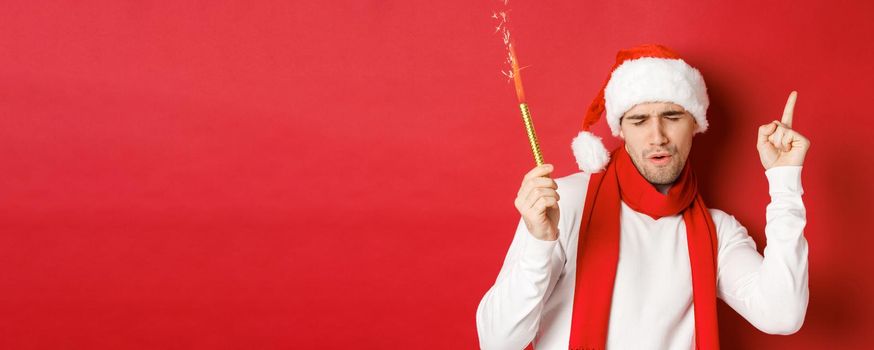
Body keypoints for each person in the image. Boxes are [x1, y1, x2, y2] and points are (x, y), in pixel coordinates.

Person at [475, 44, 810, 350]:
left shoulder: (717, 232)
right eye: (639, 120)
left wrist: (784, 181)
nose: (657, 136)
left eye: (672, 116)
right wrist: (539, 243)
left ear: (695, 124)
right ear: (621, 130)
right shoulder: (563, 204)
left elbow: (782, 315)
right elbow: (497, 341)